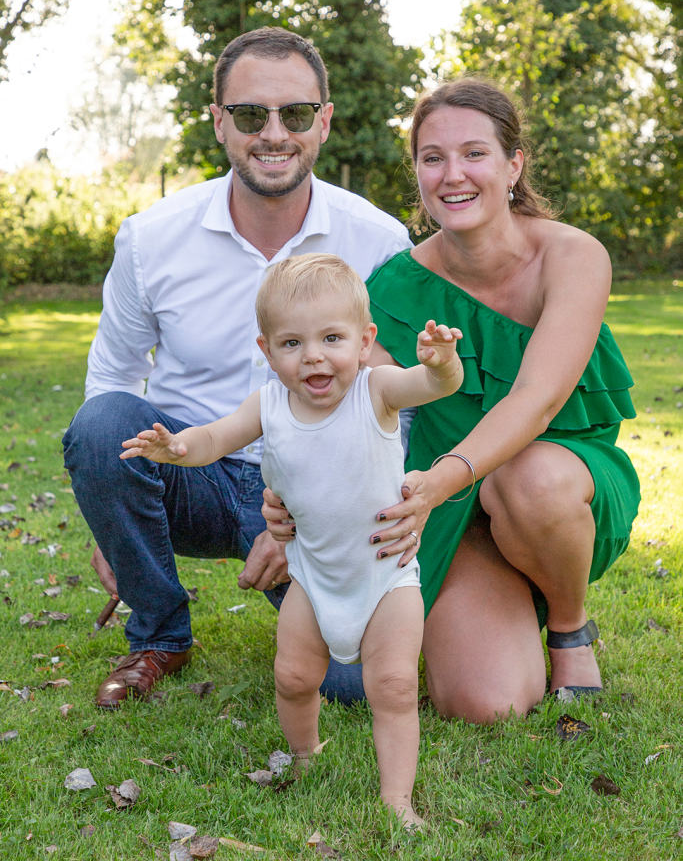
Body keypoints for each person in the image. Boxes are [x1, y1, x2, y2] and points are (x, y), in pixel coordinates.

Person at [264, 77, 641, 723]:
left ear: (512, 164)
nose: (452, 175)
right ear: (416, 172)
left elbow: (536, 403)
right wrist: (289, 498)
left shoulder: (572, 257)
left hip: (553, 482)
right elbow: (344, 409)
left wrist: (442, 477)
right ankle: (508, 598)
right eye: (431, 158)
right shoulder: (397, 285)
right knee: (484, 703)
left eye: (473, 154)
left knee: (530, 481)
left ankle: (570, 625)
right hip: (451, 508)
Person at [62, 27, 411, 709]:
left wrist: (311, 521)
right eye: (251, 114)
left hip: (316, 490)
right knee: (103, 422)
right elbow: (111, 382)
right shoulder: (152, 236)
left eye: (296, 114)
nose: (273, 133)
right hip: (188, 469)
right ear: (219, 121)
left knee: (351, 684)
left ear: (324, 122)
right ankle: (160, 634)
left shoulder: (378, 241)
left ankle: (313, 603)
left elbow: (399, 407)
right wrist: (113, 525)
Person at [118, 253, 463, 829]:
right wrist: (178, 448)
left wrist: (443, 362)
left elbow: (432, 384)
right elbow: (214, 438)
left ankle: (398, 800)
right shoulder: (269, 405)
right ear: (266, 350)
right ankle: (305, 757)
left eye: (332, 337)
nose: (313, 356)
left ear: (364, 341)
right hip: (312, 575)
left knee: (395, 686)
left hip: (385, 575)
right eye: (292, 343)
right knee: (295, 676)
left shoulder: (376, 390)